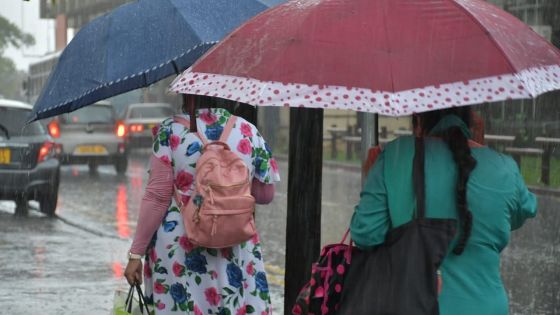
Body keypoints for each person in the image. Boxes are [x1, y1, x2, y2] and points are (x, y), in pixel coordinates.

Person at [351, 107, 537, 315]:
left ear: (417, 121)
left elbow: (366, 234)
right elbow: (522, 210)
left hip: (414, 303)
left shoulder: (396, 156)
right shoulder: (505, 168)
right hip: (487, 307)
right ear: (472, 120)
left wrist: (376, 177)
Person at [124, 99, 281, 315]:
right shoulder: (248, 131)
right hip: (235, 240)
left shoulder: (170, 131)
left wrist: (135, 254)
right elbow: (265, 195)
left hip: (180, 244)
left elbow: (157, 197)